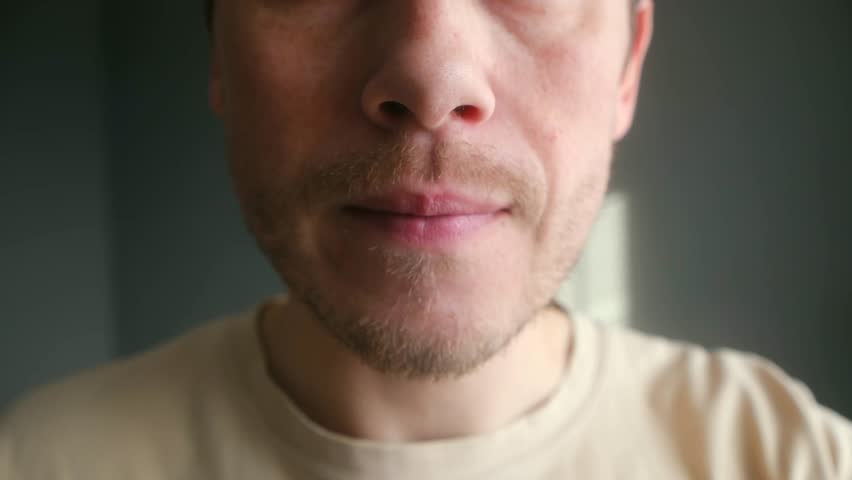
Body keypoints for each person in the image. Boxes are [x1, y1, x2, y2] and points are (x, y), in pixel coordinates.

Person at [2, 0, 851, 478]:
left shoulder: (796, 461)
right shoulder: (37, 462)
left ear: (626, 67)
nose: (432, 78)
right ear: (219, 51)